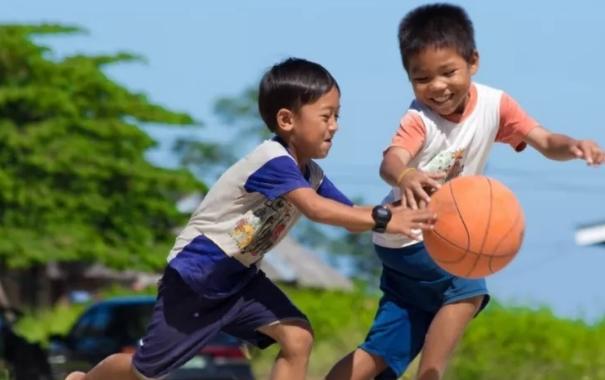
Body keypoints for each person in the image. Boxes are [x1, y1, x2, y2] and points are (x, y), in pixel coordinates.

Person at [65, 58, 437, 380]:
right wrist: (385, 219)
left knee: (298, 337)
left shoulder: (310, 173)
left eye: (338, 116)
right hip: (199, 276)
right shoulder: (273, 161)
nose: (335, 125)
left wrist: (403, 211)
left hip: (240, 279)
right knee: (146, 371)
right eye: (326, 116)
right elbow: (318, 210)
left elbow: (350, 216)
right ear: (287, 120)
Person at [326, 4, 605, 380]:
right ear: (408, 78)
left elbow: (543, 139)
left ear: (473, 61)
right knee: (467, 285)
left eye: (448, 72)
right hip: (411, 234)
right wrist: (406, 175)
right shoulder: (418, 120)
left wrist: (572, 146)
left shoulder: (496, 105)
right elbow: (390, 162)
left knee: (384, 351)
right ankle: (432, 375)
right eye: (421, 78)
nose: (437, 87)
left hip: (408, 245)